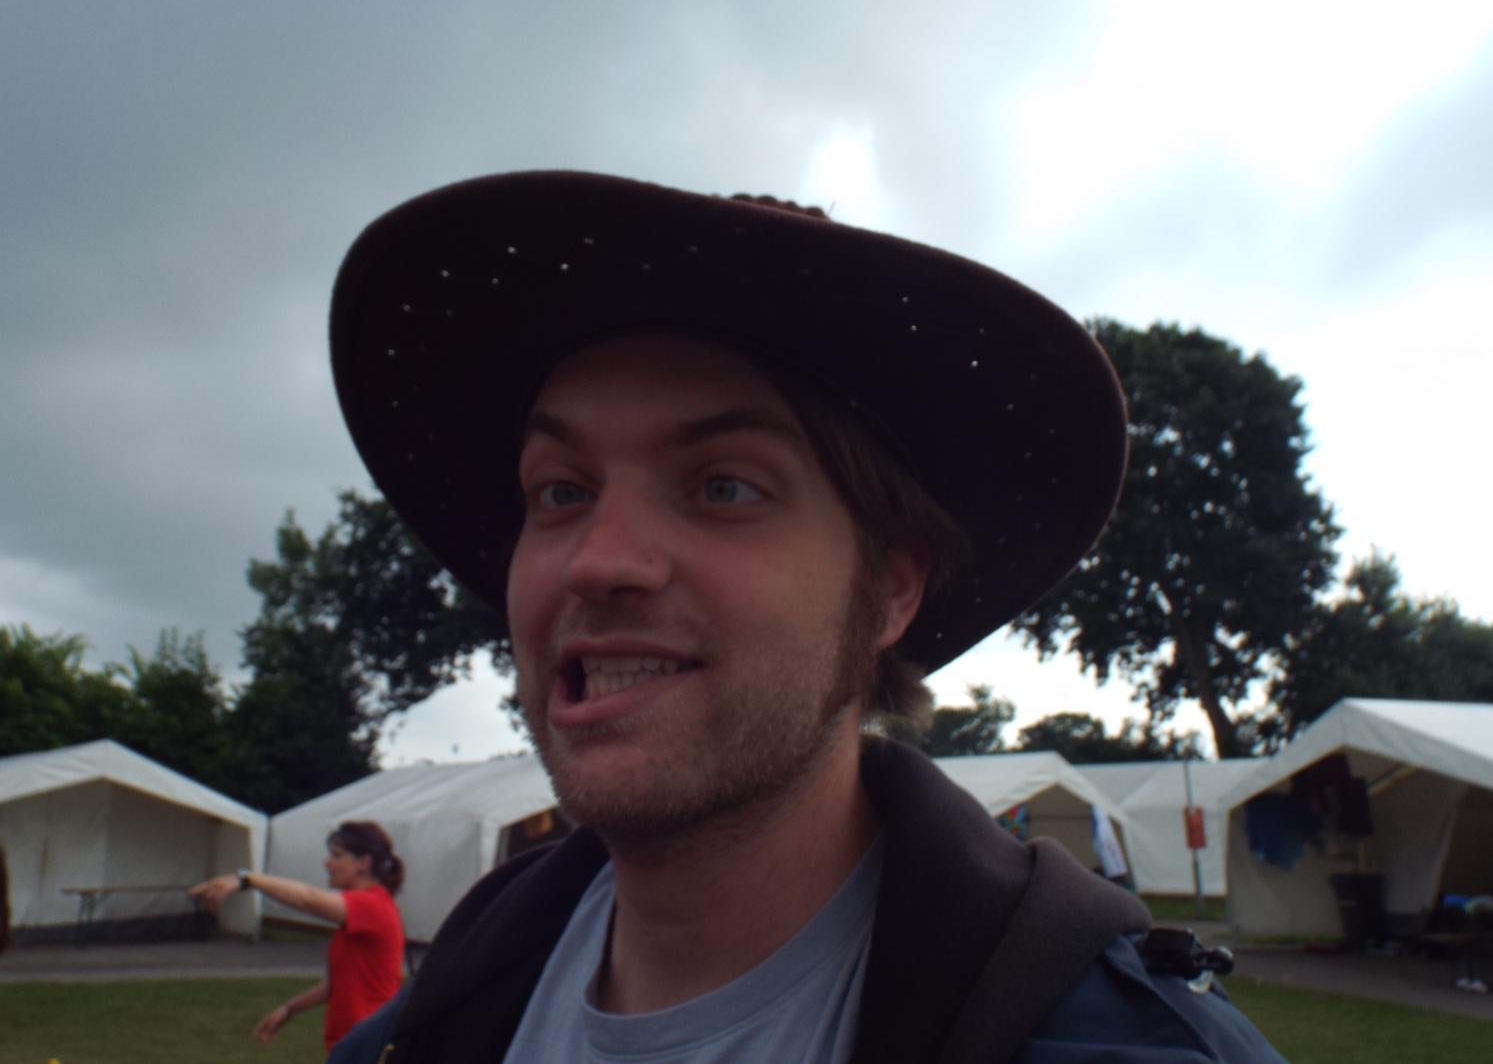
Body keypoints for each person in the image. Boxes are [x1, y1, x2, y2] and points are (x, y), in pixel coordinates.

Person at [324, 172, 1287, 1062]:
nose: (598, 559)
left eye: (724, 485)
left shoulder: (1131, 1046)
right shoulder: (421, 1032)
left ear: (891, 590)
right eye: (561, 491)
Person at [190, 820, 405, 1052]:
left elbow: (309, 899)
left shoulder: (373, 905)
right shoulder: (361, 913)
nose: (327, 863)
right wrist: (289, 1009)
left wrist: (247, 879)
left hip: (368, 1045)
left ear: (363, 863)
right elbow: (337, 984)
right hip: (351, 1044)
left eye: (337, 856)